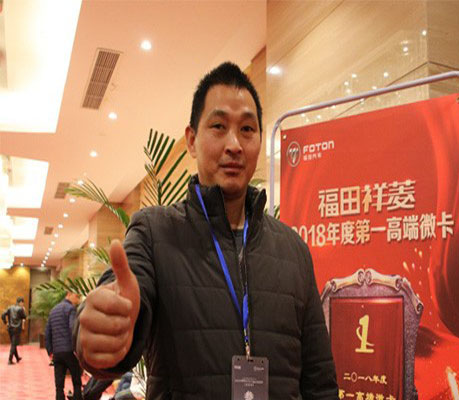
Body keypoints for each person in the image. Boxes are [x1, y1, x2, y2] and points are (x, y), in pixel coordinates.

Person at [74, 62, 338, 398]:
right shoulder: (154, 232)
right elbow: (121, 296)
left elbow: (319, 381)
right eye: (218, 126)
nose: (234, 144)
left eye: (247, 129)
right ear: (192, 140)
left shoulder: (293, 250)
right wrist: (103, 330)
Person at [46, 291, 83, 400]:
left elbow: (47, 332)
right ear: (69, 294)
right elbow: (73, 329)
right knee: (76, 381)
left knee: (59, 385)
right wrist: (77, 349)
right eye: (77, 296)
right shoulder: (71, 309)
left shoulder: (53, 310)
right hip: (69, 351)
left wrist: (50, 351)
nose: (78, 299)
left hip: (57, 352)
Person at [2, 296, 27, 365]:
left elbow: (3, 315)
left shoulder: (10, 307)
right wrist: (23, 310)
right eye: (22, 303)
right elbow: (24, 317)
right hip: (16, 329)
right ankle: (10, 360)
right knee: (13, 344)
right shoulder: (20, 309)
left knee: (13, 343)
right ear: (20, 302)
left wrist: (6, 322)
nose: (23, 304)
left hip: (10, 328)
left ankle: (17, 357)